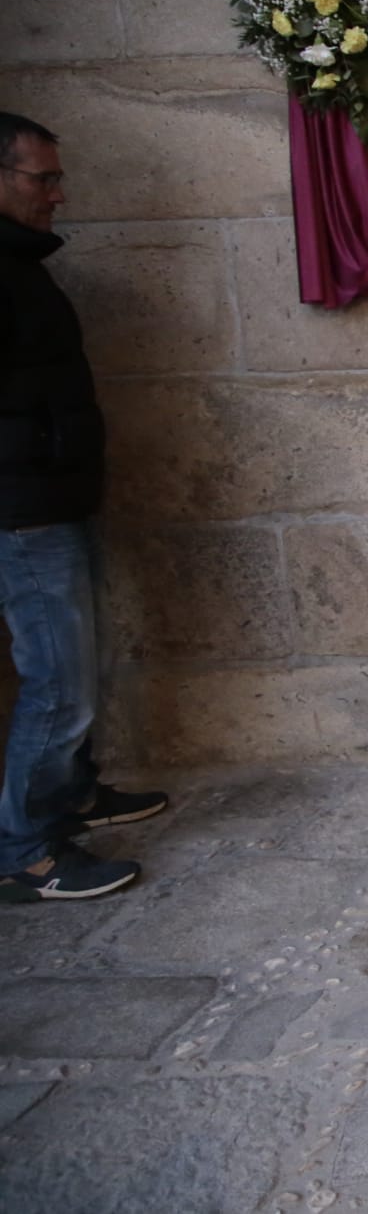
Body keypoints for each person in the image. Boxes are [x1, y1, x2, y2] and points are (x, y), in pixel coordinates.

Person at [0, 112, 168, 902]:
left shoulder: (21, 260)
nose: (59, 194)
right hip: (21, 506)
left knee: (84, 666)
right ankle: (24, 848)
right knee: (58, 682)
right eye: (44, 178)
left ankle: (71, 796)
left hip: (57, 492)